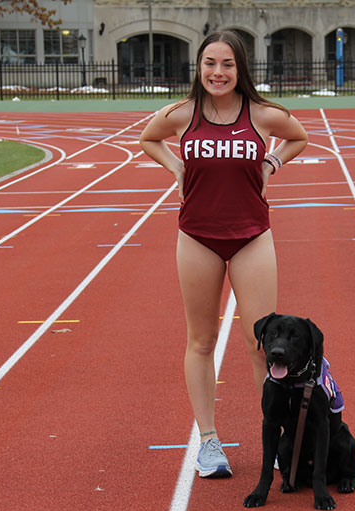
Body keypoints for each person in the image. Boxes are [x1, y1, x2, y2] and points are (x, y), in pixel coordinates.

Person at [140, 31, 308, 478]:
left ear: (241, 69)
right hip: (197, 237)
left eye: (227, 64)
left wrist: (272, 164)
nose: (217, 72)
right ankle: (209, 442)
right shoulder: (180, 114)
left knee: (262, 346)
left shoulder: (262, 113)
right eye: (210, 63)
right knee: (201, 341)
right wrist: (174, 165)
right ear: (199, 67)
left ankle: (275, 439)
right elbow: (147, 137)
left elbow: (299, 137)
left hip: (253, 236)